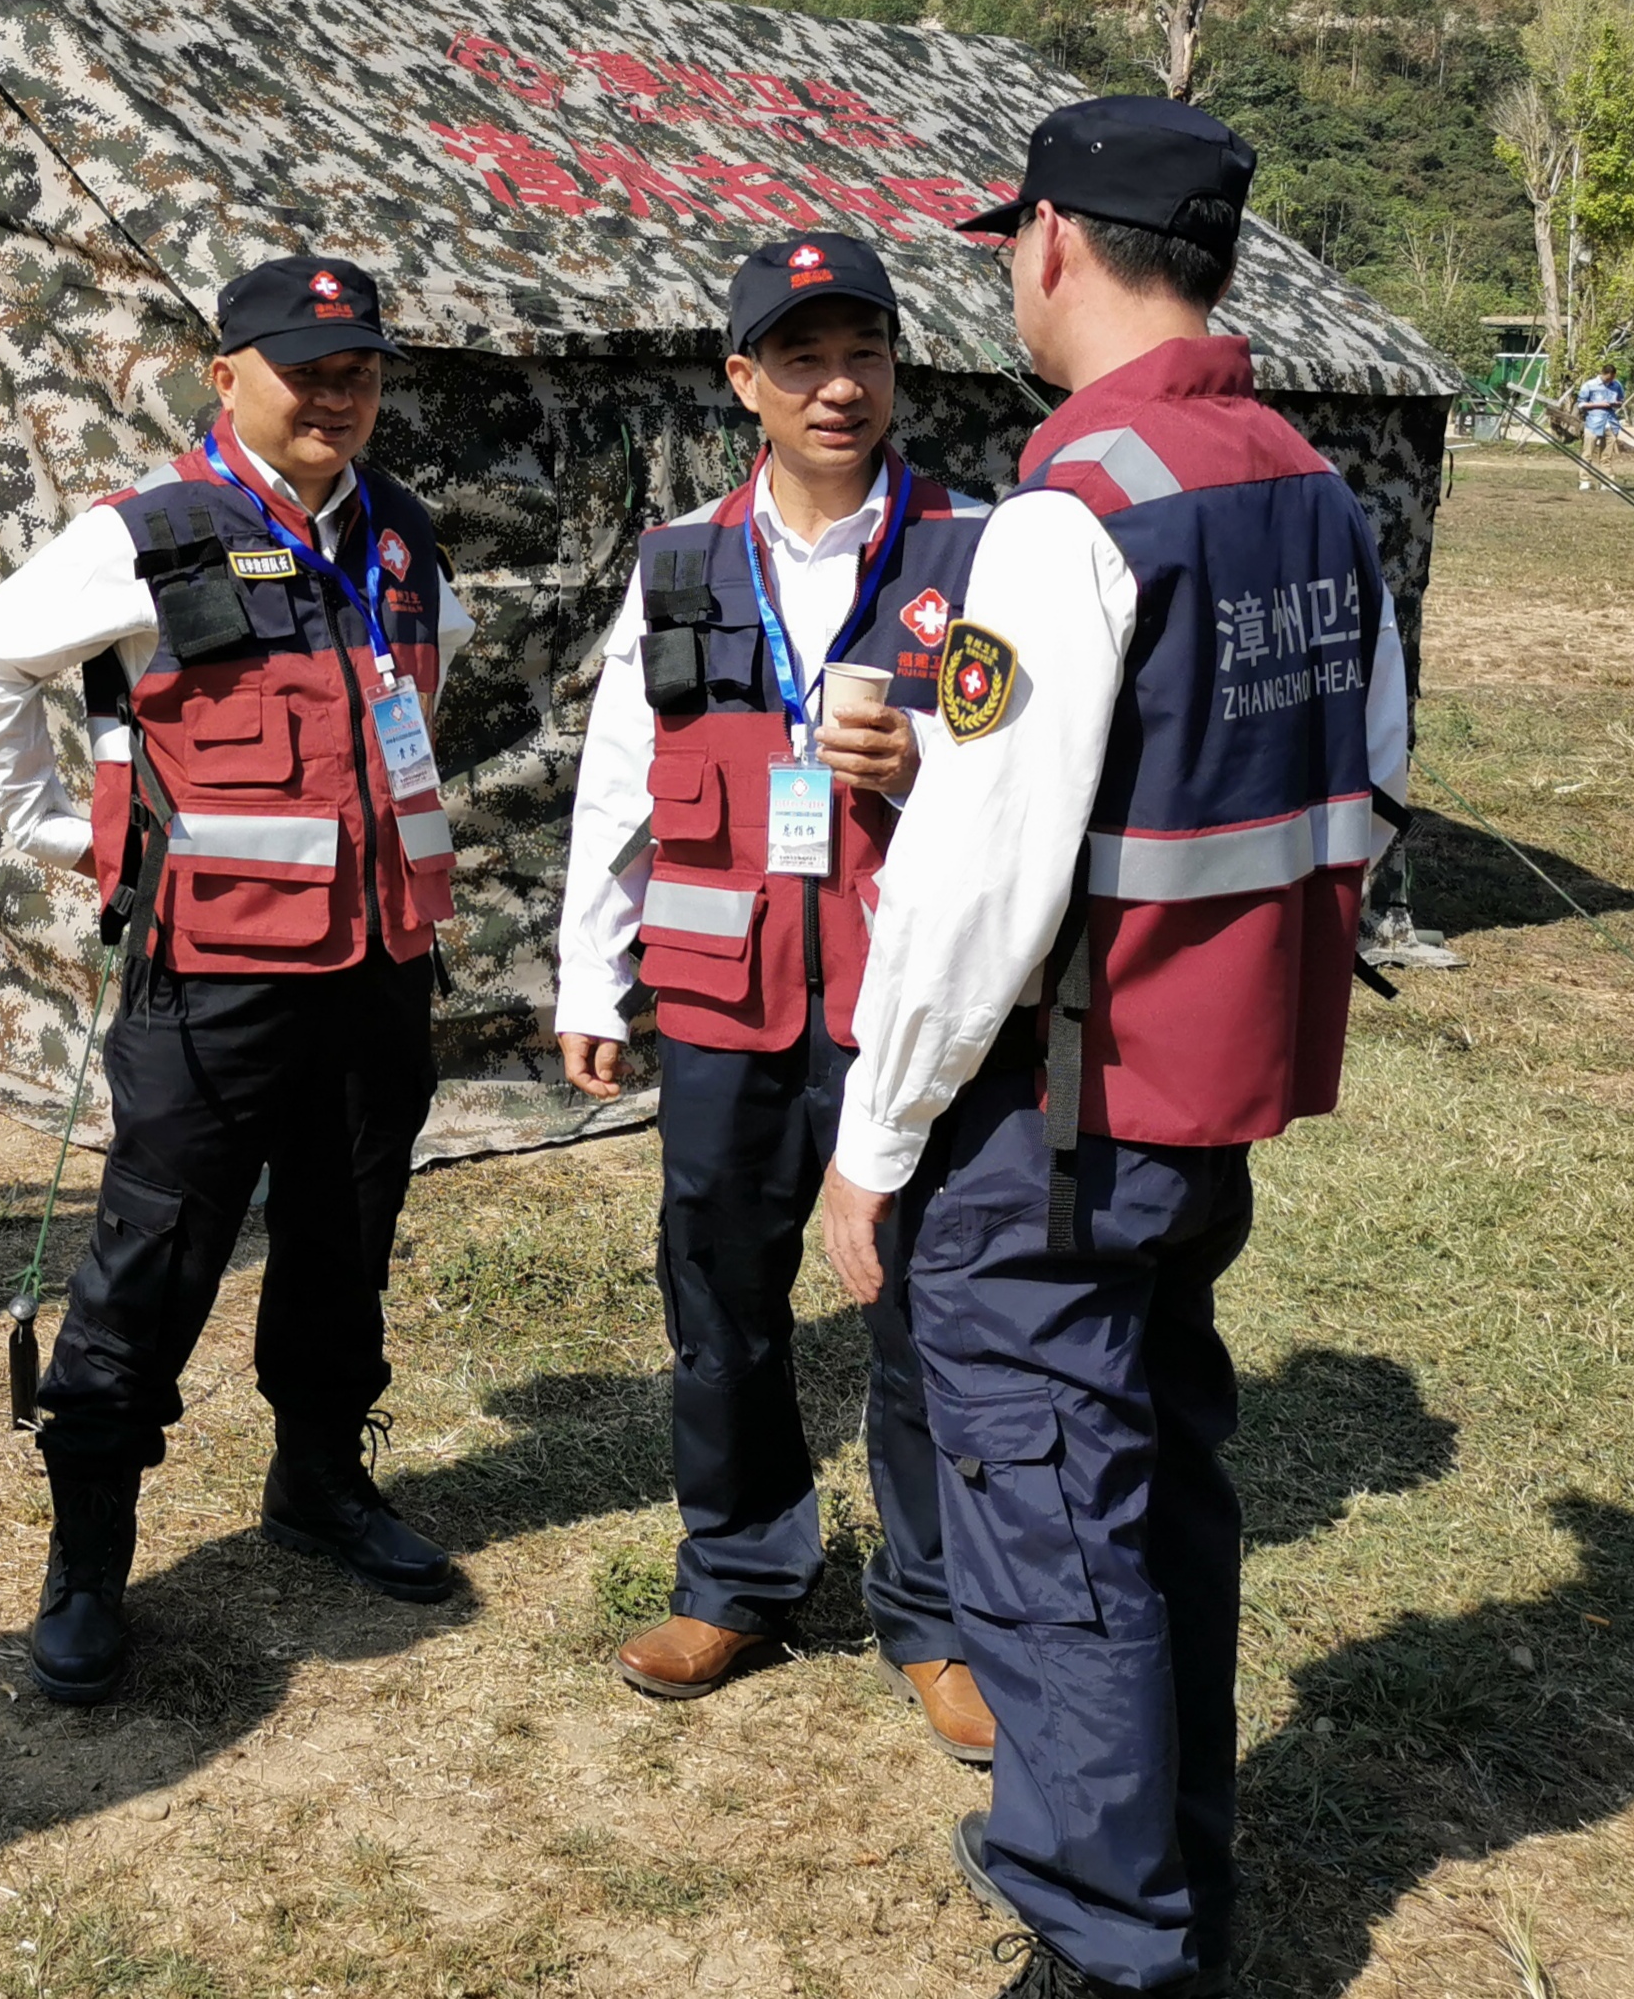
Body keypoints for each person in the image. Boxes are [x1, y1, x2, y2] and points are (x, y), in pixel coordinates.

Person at [817, 100, 1408, 1999]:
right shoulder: (1304, 480)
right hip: (1197, 1101)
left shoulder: (1070, 516)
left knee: (1049, 1526)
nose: (1005, 271)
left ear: (1057, 241)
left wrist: (874, 1138)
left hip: (1043, 1121)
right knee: (1158, 1485)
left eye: (1009, 242)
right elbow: (1368, 777)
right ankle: (1179, 1876)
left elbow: (973, 885)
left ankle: (1106, 1947)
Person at [0, 253, 474, 1706]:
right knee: (157, 1255)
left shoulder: (406, 536)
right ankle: (88, 1559)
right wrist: (70, 833)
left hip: (378, 968)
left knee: (345, 1235)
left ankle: (316, 1483)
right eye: (303, 366)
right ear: (222, 369)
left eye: (356, 365)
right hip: (214, 976)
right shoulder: (148, 535)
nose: (334, 390)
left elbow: (432, 688)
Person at [554, 231, 998, 1757]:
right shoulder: (682, 559)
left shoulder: (979, 548)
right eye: (798, 358)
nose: (836, 385)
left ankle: (936, 1615)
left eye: (861, 352)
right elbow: (620, 778)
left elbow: (1051, 771)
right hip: (726, 1000)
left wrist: (929, 763)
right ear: (743, 381)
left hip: (908, 1008)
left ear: (897, 367)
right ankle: (739, 1570)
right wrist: (586, 974)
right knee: (722, 1302)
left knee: (923, 1310)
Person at [1576, 365, 1623, 487]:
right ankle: (1584, 480)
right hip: (1593, 423)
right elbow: (1581, 404)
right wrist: (1598, 404)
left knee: (1606, 456)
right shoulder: (1590, 385)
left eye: (1612, 378)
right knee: (1587, 453)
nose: (1610, 381)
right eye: (1608, 378)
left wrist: (1615, 404)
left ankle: (1607, 482)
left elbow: (1621, 401)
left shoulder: (1616, 385)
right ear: (1603, 374)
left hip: (1611, 424)